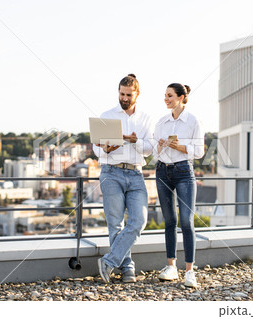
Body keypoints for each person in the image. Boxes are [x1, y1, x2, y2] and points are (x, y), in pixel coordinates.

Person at [93, 74, 153, 283]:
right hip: (111, 172)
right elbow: (96, 148)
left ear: (137, 94)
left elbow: (148, 150)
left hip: (136, 174)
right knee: (115, 224)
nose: (124, 98)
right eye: (121, 94)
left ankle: (109, 262)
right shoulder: (107, 115)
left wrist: (135, 142)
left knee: (139, 220)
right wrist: (106, 147)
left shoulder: (145, 118)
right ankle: (127, 268)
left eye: (128, 95)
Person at [153, 83, 204, 288]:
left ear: (181, 97)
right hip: (162, 170)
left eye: (170, 96)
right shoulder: (161, 122)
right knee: (169, 221)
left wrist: (179, 146)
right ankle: (171, 267)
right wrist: (160, 146)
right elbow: (154, 153)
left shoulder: (192, 120)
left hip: (184, 171)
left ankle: (190, 271)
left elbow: (200, 151)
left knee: (186, 221)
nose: (166, 99)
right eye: (165, 95)